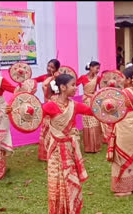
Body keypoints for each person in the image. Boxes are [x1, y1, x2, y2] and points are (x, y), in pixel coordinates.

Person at [42, 73, 94, 214]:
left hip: (69, 149)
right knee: (57, 182)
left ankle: (71, 210)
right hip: (55, 150)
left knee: (71, 181)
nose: (76, 88)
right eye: (73, 85)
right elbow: (32, 118)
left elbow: (92, 111)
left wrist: (110, 106)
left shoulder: (74, 105)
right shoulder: (50, 106)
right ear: (63, 87)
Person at [109, 65, 133, 197]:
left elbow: (111, 108)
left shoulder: (124, 93)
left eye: (124, 78)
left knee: (122, 154)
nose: (121, 80)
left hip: (125, 125)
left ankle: (125, 188)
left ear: (130, 79)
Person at [34, 59, 61, 161]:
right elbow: (35, 80)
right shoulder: (45, 77)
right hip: (47, 103)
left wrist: (54, 81)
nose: (49, 68)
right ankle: (46, 152)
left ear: (57, 69)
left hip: (54, 103)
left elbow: (58, 92)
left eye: (52, 67)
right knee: (46, 127)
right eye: (48, 66)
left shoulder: (57, 78)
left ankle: (55, 151)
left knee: (53, 126)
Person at [76, 61, 103, 153]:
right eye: (96, 68)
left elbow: (102, 87)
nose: (98, 70)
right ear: (91, 67)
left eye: (99, 68)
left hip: (94, 100)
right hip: (85, 101)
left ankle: (96, 147)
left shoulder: (98, 78)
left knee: (95, 121)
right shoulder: (83, 77)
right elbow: (73, 85)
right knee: (87, 122)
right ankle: (89, 148)